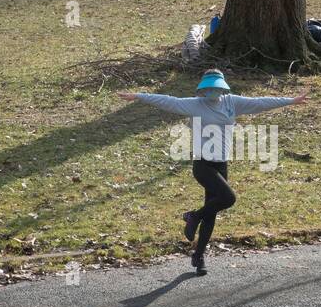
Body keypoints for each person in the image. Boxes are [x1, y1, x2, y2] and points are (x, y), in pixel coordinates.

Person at [117, 71, 308, 275]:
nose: (212, 92)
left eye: (215, 88)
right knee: (228, 198)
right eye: (209, 88)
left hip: (221, 165)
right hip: (203, 165)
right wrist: (139, 96)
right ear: (203, 88)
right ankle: (193, 216)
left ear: (222, 87)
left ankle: (198, 257)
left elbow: (260, 102)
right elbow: (168, 101)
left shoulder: (232, 102)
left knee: (212, 212)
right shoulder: (195, 104)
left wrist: (291, 101)